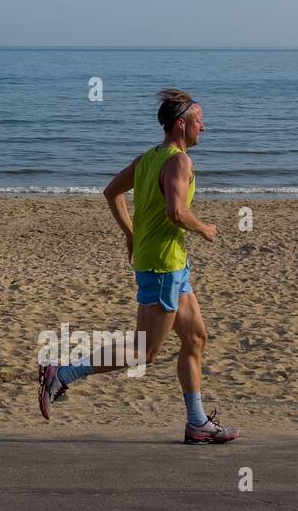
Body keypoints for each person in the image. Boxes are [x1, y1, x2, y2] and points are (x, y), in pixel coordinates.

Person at [38, 88, 240, 444]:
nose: (204, 127)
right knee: (142, 352)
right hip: (162, 268)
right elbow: (176, 212)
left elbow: (111, 192)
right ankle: (61, 373)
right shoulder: (178, 161)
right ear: (181, 125)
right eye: (199, 120)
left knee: (195, 338)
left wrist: (131, 234)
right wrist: (204, 227)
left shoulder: (148, 159)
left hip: (173, 266)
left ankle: (196, 423)